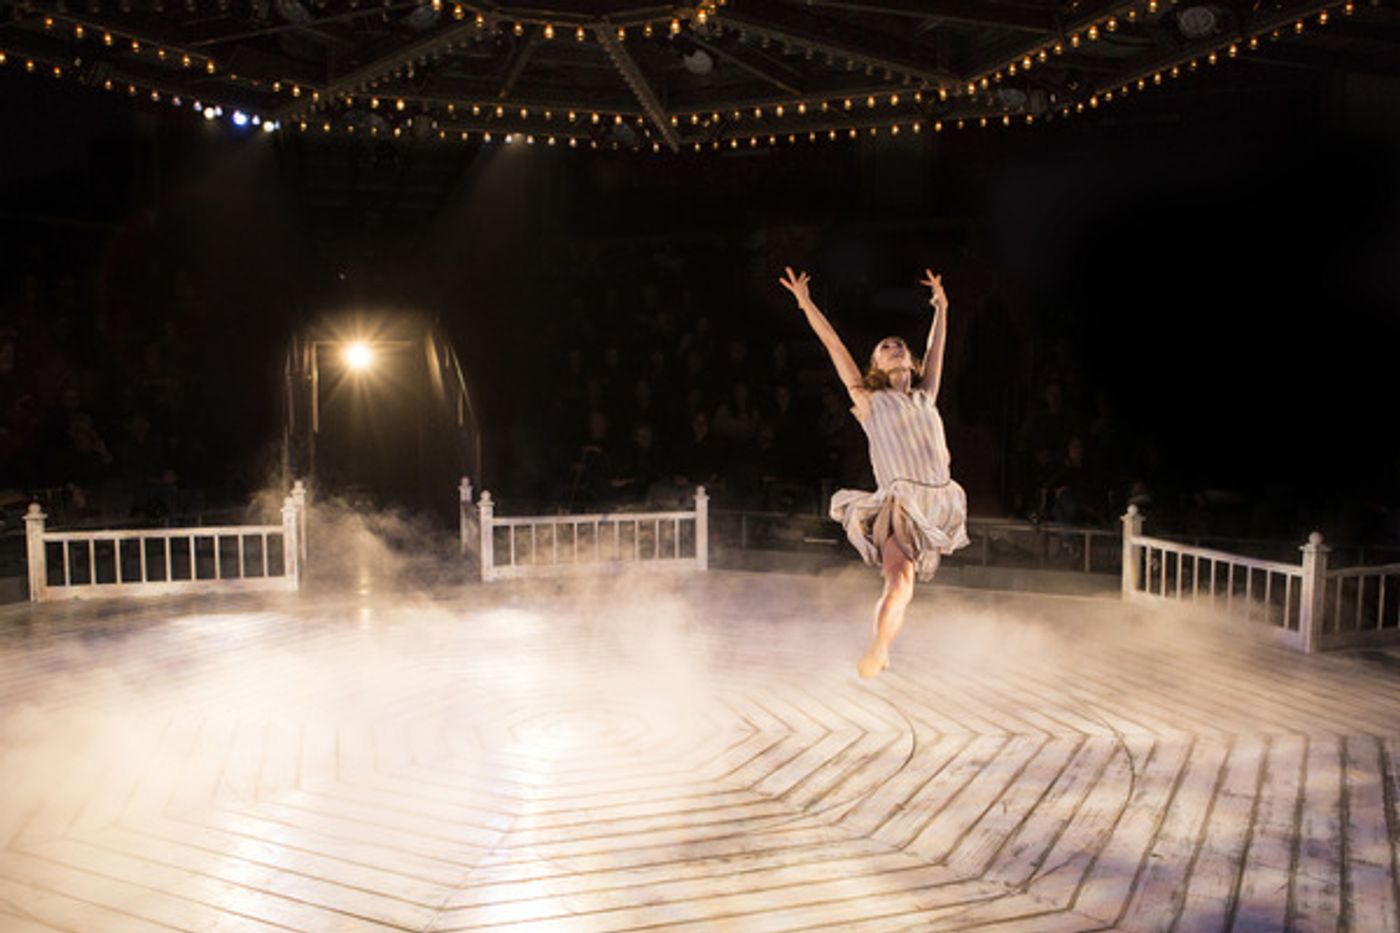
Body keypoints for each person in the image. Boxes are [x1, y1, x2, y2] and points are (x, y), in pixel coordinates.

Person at [780, 266, 970, 677]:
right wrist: (805, 302)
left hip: (935, 503)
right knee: (899, 584)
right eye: (884, 347)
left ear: (910, 361)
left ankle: (883, 648)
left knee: (907, 594)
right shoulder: (869, 401)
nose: (894, 346)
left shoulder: (925, 396)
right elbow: (832, 344)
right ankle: (878, 647)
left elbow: (938, 348)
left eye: (899, 344)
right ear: (875, 367)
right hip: (899, 505)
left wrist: (942, 307)